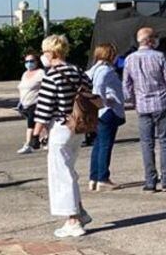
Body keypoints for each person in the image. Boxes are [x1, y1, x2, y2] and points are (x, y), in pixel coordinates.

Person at [32, 35, 95, 238]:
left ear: (51, 52)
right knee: (69, 169)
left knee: (61, 174)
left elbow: (43, 108)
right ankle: (80, 211)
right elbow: (89, 91)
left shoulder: (52, 76)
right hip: (78, 126)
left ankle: (73, 221)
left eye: (44, 52)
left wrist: (35, 134)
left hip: (60, 127)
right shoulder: (78, 71)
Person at [123, 27, 166, 193]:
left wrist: (133, 101)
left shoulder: (129, 59)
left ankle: (150, 181)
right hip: (162, 103)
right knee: (165, 141)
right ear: (150, 40)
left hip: (142, 106)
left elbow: (126, 87)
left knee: (146, 143)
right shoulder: (159, 56)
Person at [87, 44, 126, 192]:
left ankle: (94, 177)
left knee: (98, 145)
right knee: (105, 145)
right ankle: (103, 178)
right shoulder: (106, 70)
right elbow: (98, 89)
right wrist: (103, 101)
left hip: (100, 112)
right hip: (108, 111)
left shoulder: (94, 69)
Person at [17, 52, 45, 154]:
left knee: (30, 125)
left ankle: (28, 144)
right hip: (25, 103)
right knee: (43, 124)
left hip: (36, 103)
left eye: (32, 61)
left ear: (37, 62)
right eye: (27, 61)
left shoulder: (41, 73)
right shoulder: (25, 74)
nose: (29, 63)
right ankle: (46, 139)